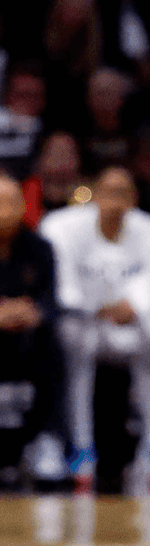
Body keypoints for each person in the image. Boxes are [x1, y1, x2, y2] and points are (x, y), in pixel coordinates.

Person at [40, 166, 150, 491]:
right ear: (95, 195)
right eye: (109, 192)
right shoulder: (61, 226)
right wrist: (96, 307)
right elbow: (64, 286)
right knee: (71, 337)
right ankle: (80, 448)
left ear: (134, 199)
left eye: (123, 193)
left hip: (129, 322)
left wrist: (131, 306)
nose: (115, 201)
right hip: (85, 321)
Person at [0, 173, 62, 482]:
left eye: (10, 202)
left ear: (23, 206)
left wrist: (34, 312)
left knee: (56, 339)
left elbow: (51, 300)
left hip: (29, 334)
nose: (3, 211)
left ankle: (47, 438)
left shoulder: (40, 247)